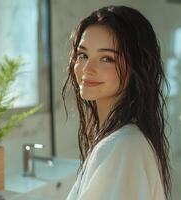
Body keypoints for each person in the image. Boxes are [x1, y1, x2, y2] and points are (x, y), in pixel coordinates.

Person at [62, 5, 171, 200]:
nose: (87, 68)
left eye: (106, 58)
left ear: (136, 67)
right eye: (83, 55)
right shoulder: (120, 141)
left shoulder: (124, 147)